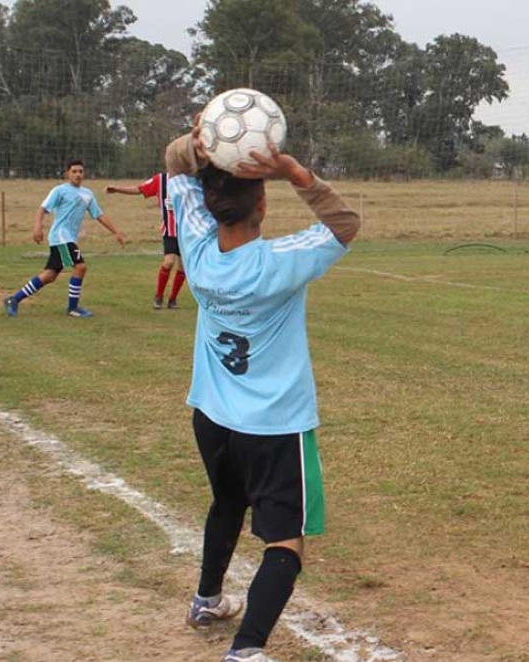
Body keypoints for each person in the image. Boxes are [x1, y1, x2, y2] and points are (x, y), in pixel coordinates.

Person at [165, 122, 360, 662]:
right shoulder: (279, 261)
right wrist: (298, 173)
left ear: (209, 207)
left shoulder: (198, 249)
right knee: (285, 541)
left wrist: (191, 147)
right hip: (275, 426)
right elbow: (345, 223)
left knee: (227, 503)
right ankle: (246, 648)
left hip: (212, 415)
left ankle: (207, 600)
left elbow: (174, 166)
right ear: (263, 205)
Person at [5, 159, 126, 318]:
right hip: (61, 236)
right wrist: (37, 227)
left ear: (84, 174)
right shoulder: (59, 190)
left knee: (50, 275)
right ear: (67, 174)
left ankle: (13, 299)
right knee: (80, 267)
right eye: (74, 171)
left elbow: (99, 215)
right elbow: (42, 209)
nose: (78, 174)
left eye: (80, 171)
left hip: (67, 239)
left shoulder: (88, 194)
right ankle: (73, 308)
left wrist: (116, 231)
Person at [106, 172, 186, 309]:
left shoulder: (190, 179)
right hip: (170, 230)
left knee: (183, 266)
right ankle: (159, 296)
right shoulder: (160, 180)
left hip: (187, 231)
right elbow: (139, 189)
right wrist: (118, 189)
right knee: (169, 261)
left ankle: (172, 299)